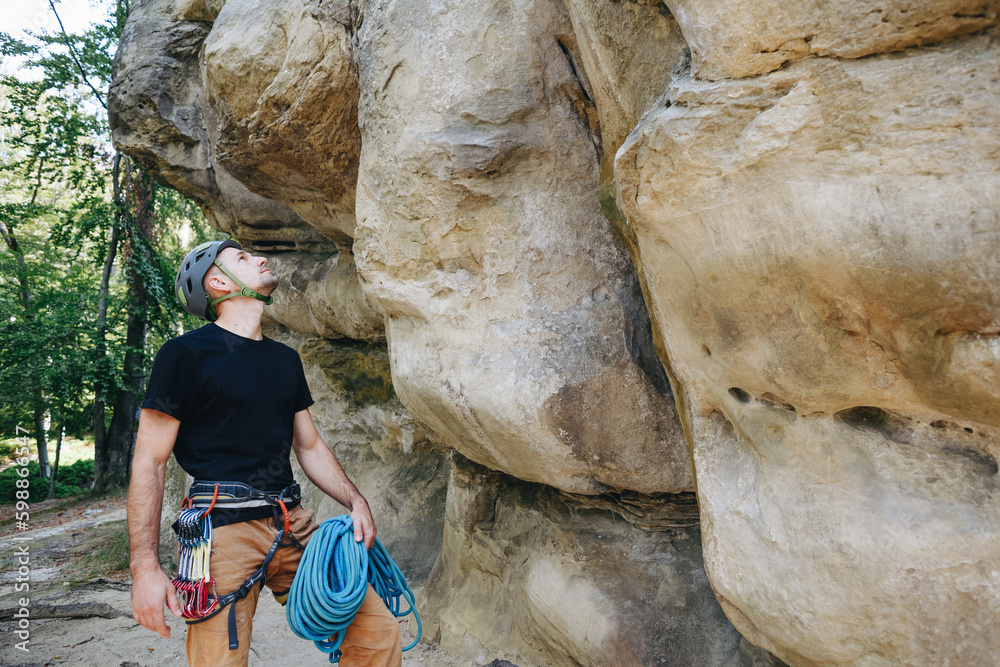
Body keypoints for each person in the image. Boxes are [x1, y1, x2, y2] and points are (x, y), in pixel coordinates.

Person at [127, 239, 403, 667]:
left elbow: (308, 445)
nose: (260, 259)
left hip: (293, 523)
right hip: (222, 533)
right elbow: (150, 460)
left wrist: (355, 501)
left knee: (376, 632)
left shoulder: (284, 359)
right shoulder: (184, 356)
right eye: (242, 257)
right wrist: (145, 568)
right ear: (218, 282)